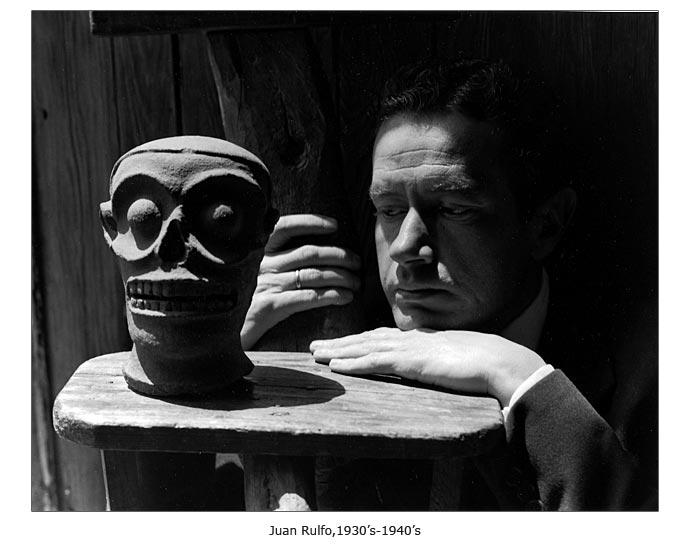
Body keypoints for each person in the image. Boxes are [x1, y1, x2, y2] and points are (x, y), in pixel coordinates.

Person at [239, 56, 658, 511]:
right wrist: (215, 354)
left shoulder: (650, 373)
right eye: (389, 210)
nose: (404, 247)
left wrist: (517, 376)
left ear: (545, 226)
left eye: (455, 209)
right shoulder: (335, 338)